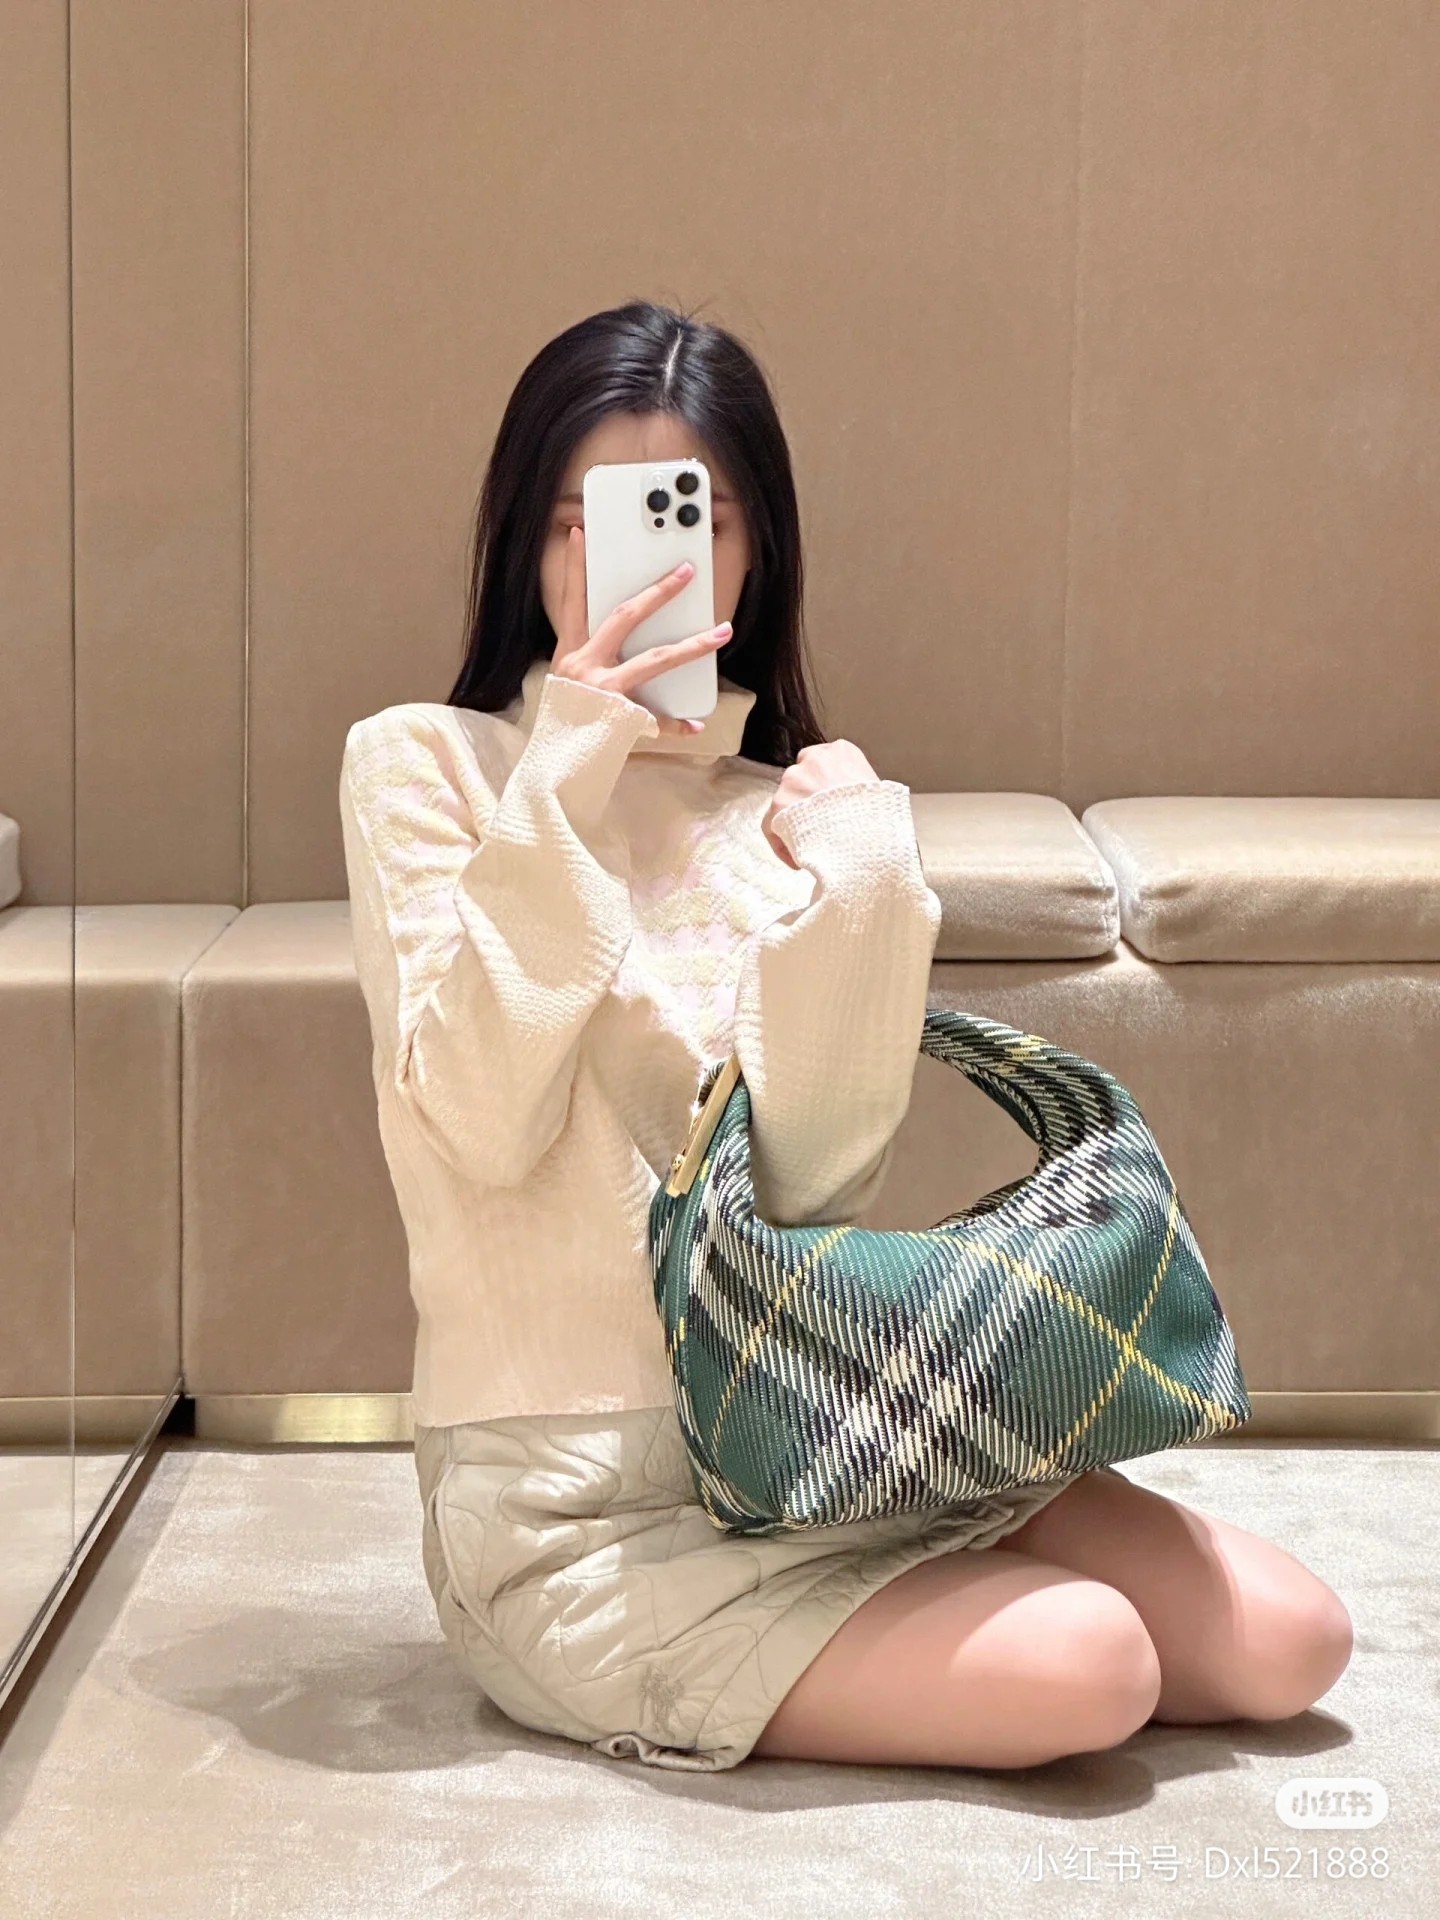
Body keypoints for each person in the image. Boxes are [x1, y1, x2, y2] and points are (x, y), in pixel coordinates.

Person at [338, 300, 1353, 1773]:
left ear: (752, 551)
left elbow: (810, 1190)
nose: (623, 565)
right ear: (524, 545)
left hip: (815, 1432)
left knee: (1294, 1642)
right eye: (579, 522)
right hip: (575, 1513)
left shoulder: (787, 814)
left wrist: (867, 886)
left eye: (685, 520)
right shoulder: (426, 768)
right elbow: (479, 1123)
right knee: (1093, 1663)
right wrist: (565, 774)